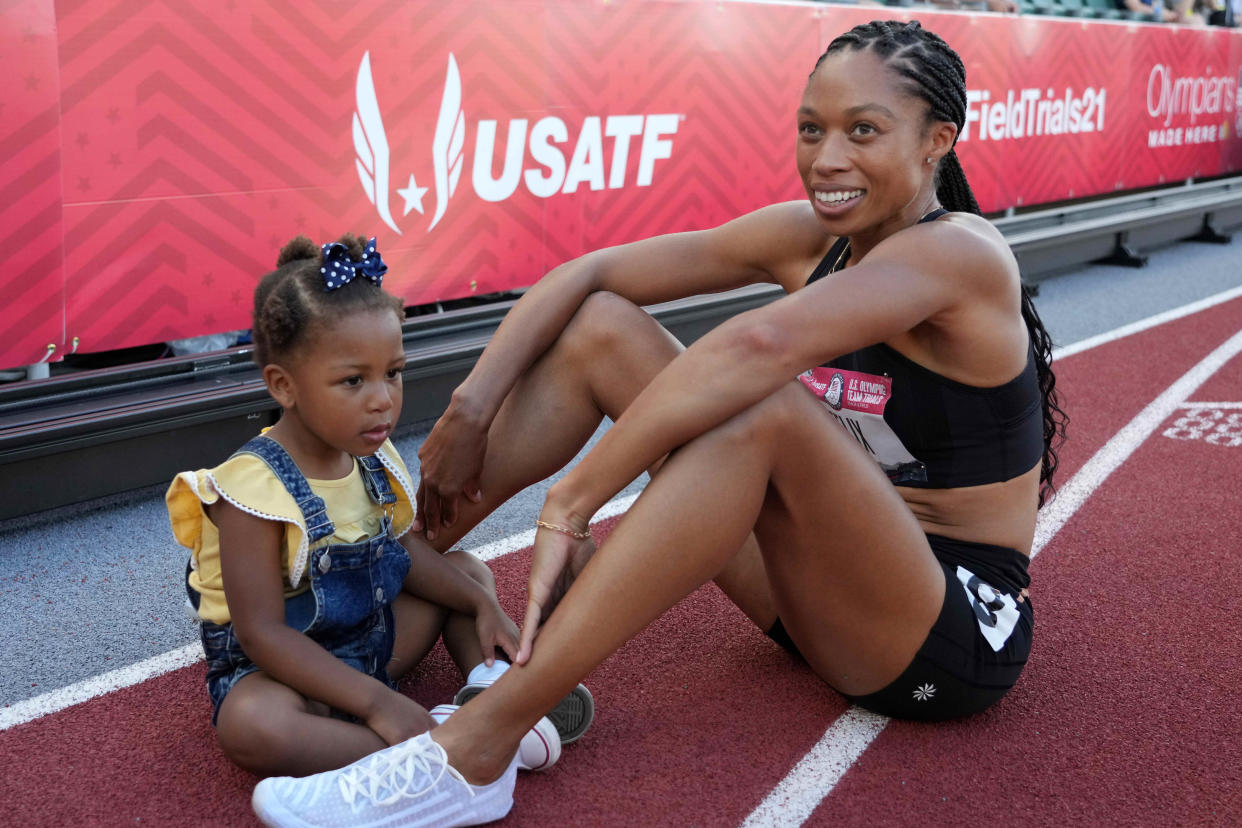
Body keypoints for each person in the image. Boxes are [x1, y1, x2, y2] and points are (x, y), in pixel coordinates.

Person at [251, 19, 1067, 827]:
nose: (827, 159)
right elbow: (590, 275)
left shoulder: (961, 254)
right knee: (605, 328)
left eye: (864, 131)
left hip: (944, 630)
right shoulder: (815, 238)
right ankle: (387, 559)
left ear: (937, 141)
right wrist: (474, 402)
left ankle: (472, 751)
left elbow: (759, 343)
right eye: (811, 129)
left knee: (763, 406)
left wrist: (574, 502)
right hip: (813, 590)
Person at [165, 234, 590, 781]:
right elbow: (262, 634)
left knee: (466, 575)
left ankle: (497, 695)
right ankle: (439, 750)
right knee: (251, 727)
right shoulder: (251, 492)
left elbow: (405, 549)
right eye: (353, 380)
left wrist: (485, 607)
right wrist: (376, 703)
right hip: (286, 673)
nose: (383, 398)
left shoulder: (371, 456)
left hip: (371, 640)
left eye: (393, 372)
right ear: (283, 386)